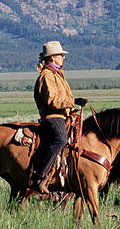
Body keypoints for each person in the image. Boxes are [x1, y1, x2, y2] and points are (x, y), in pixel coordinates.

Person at [28, 40, 87, 193]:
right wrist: (73, 101)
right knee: (60, 139)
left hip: (62, 115)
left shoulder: (57, 74)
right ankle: (39, 176)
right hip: (53, 116)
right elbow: (51, 100)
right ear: (52, 57)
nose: (63, 57)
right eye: (61, 55)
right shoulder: (47, 76)